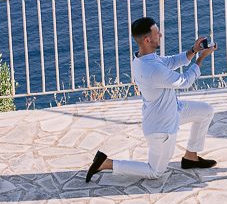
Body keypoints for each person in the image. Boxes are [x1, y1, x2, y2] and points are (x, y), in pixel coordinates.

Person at [86, 16, 217, 182]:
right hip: (162, 127)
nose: (161, 35)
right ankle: (106, 163)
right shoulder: (152, 69)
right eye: (157, 33)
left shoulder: (143, 58)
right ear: (147, 39)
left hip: (173, 110)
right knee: (155, 172)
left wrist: (193, 50)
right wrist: (201, 58)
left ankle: (191, 156)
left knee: (206, 111)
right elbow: (184, 81)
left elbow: (170, 61)